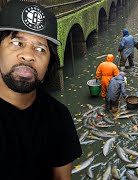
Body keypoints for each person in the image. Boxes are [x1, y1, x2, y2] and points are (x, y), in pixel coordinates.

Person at [0, 1, 82, 179]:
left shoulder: (59, 117)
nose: (28, 55)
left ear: (49, 64)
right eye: (17, 43)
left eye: (40, 49)